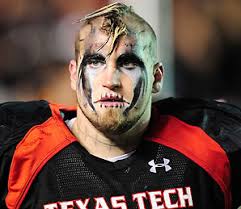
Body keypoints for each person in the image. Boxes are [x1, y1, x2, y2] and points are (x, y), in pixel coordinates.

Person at [0, 3, 241, 209]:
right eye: (96, 62)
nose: (111, 81)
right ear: (74, 75)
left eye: (128, 64)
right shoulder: (18, 150)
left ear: (157, 78)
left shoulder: (213, 142)